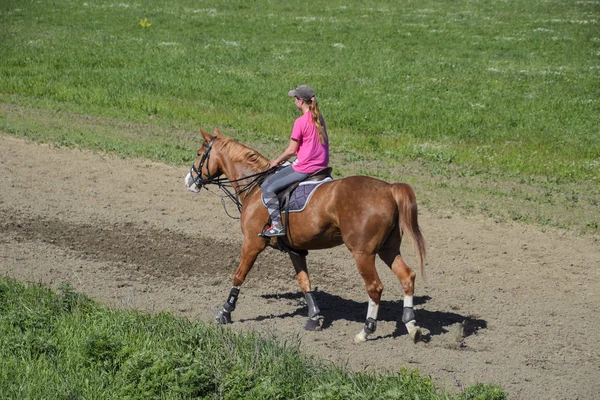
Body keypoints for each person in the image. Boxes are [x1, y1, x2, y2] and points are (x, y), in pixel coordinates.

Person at [260, 85, 329, 237]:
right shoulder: (319, 117)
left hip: (305, 167)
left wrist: (276, 161)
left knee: (268, 187)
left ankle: (277, 226)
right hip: (321, 165)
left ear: (300, 101)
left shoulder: (300, 122)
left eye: (295, 99)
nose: (294, 101)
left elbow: (291, 150)